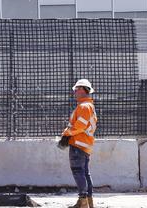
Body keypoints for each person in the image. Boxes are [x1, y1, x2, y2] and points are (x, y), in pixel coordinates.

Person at [58, 79, 97, 208]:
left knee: (78, 171)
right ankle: (87, 201)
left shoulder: (84, 106)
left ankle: (83, 202)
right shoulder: (87, 106)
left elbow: (80, 126)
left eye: (76, 89)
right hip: (84, 145)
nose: (74, 92)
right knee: (84, 172)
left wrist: (67, 133)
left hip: (78, 144)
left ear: (82, 89)